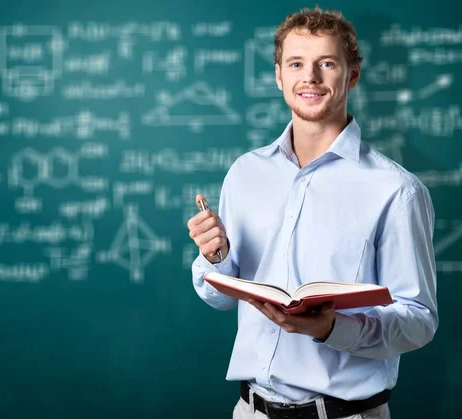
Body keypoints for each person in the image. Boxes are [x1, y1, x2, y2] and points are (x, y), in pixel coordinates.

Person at [187, 6, 438, 419]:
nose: (310, 77)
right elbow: (217, 296)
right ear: (279, 76)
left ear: (352, 75)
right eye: (297, 63)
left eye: (327, 63)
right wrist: (216, 257)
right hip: (250, 411)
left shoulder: (397, 190)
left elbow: (418, 320)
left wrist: (331, 329)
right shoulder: (246, 173)